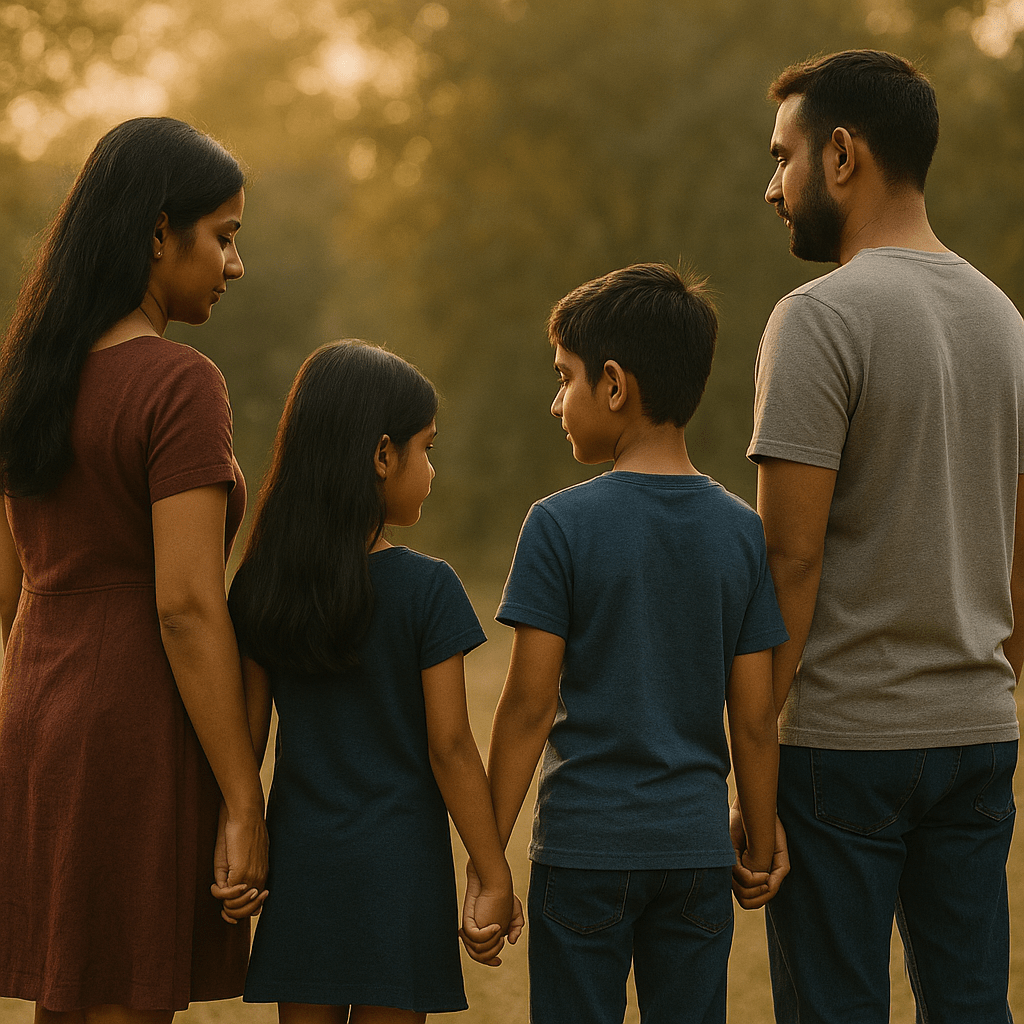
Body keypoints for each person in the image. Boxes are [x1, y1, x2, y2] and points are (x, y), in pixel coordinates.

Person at [748, 49, 1024, 1022]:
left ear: (841, 154)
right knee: (972, 1005)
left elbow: (789, 559)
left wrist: (752, 753)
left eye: (781, 157)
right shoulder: (1006, 323)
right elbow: (1016, 564)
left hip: (844, 744)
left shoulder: (818, 319)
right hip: (979, 733)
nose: (772, 187)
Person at [464, 263, 788, 1024]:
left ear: (613, 385)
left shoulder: (558, 526)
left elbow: (526, 710)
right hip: (695, 856)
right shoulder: (741, 532)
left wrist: (488, 864)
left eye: (564, 378)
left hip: (584, 853)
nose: (556, 402)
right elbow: (753, 717)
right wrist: (759, 835)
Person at [0, 118, 268, 1021]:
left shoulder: (27, 378)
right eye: (224, 237)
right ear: (159, 232)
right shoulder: (178, 382)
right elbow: (185, 605)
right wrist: (243, 799)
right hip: (133, 721)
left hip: (36, 710)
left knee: (67, 995)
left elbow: (9, 591)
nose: (236, 266)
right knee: (123, 999)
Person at [227, 340, 519, 1024]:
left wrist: (233, 832)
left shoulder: (261, 585)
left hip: (303, 868)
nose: (432, 469)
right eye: (427, 448)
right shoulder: (428, 589)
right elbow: (450, 748)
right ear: (382, 454)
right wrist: (492, 870)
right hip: (401, 875)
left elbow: (247, 737)